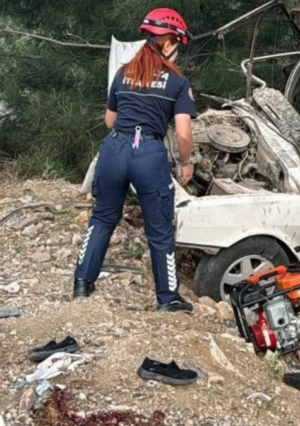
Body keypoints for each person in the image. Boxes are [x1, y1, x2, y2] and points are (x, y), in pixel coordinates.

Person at [73, 8, 196, 312]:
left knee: (102, 218)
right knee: (159, 230)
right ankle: (167, 299)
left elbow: (110, 120)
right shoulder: (178, 82)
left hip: (114, 150)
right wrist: (185, 162)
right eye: (176, 43)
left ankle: (81, 285)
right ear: (168, 42)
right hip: (148, 155)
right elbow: (183, 134)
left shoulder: (124, 72)